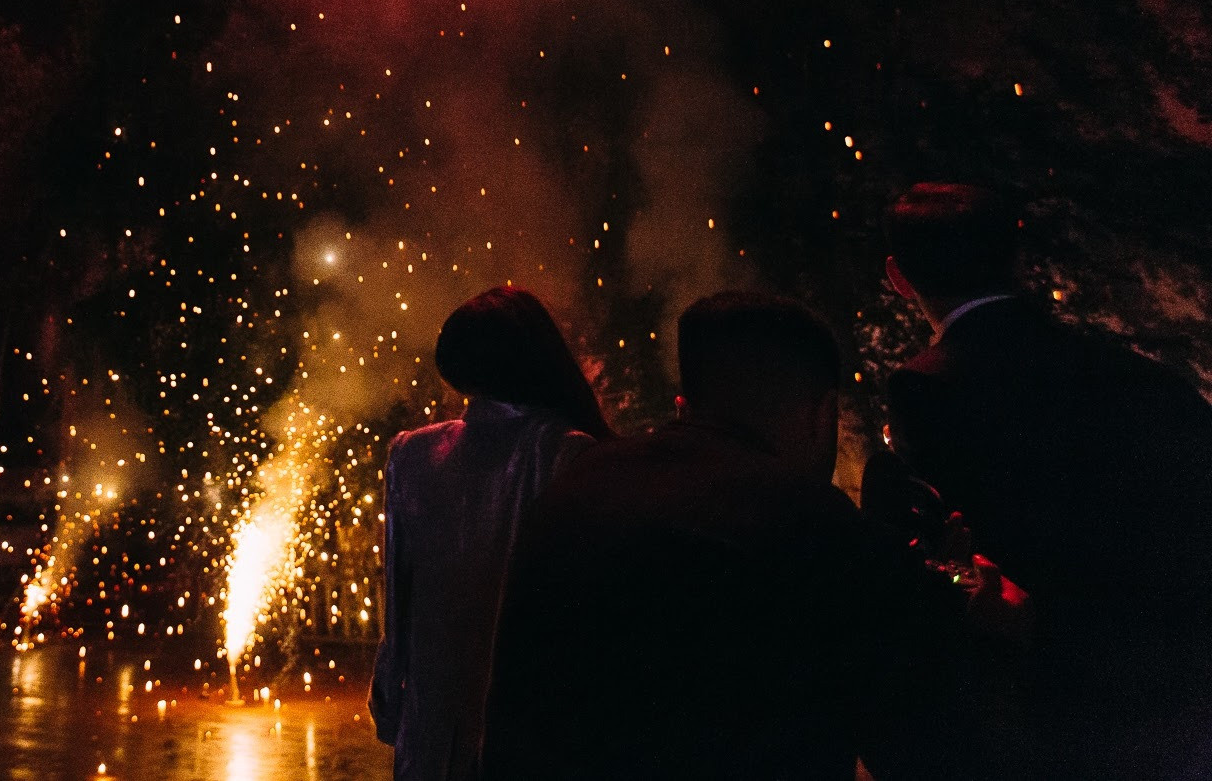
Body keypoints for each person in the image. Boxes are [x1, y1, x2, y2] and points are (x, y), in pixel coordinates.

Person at [481, 292, 953, 780]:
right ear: (822, 413)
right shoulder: (810, 523)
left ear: (687, 402)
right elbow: (909, 740)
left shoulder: (579, 484)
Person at [884, 182, 1212, 778]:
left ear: (898, 277)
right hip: (1174, 697)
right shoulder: (1136, 377)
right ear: (1018, 261)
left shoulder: (929, 391)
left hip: (1039, 704)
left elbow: (944, 564)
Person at [370, 286, 611, 780]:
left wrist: (392, 687)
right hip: (525, 723)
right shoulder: (567, 451)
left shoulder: (412, 454)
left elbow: (396, 591)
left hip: (431, 723)